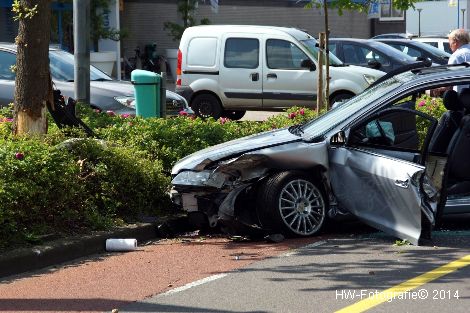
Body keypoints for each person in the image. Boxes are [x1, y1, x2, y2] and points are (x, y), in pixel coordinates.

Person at [431, 29, 470, 96]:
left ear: (455, 42)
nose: (449, 46)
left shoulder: (456, 56)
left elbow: (449, 83)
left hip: (464, 99)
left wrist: (438, 88)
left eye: (450, 42)